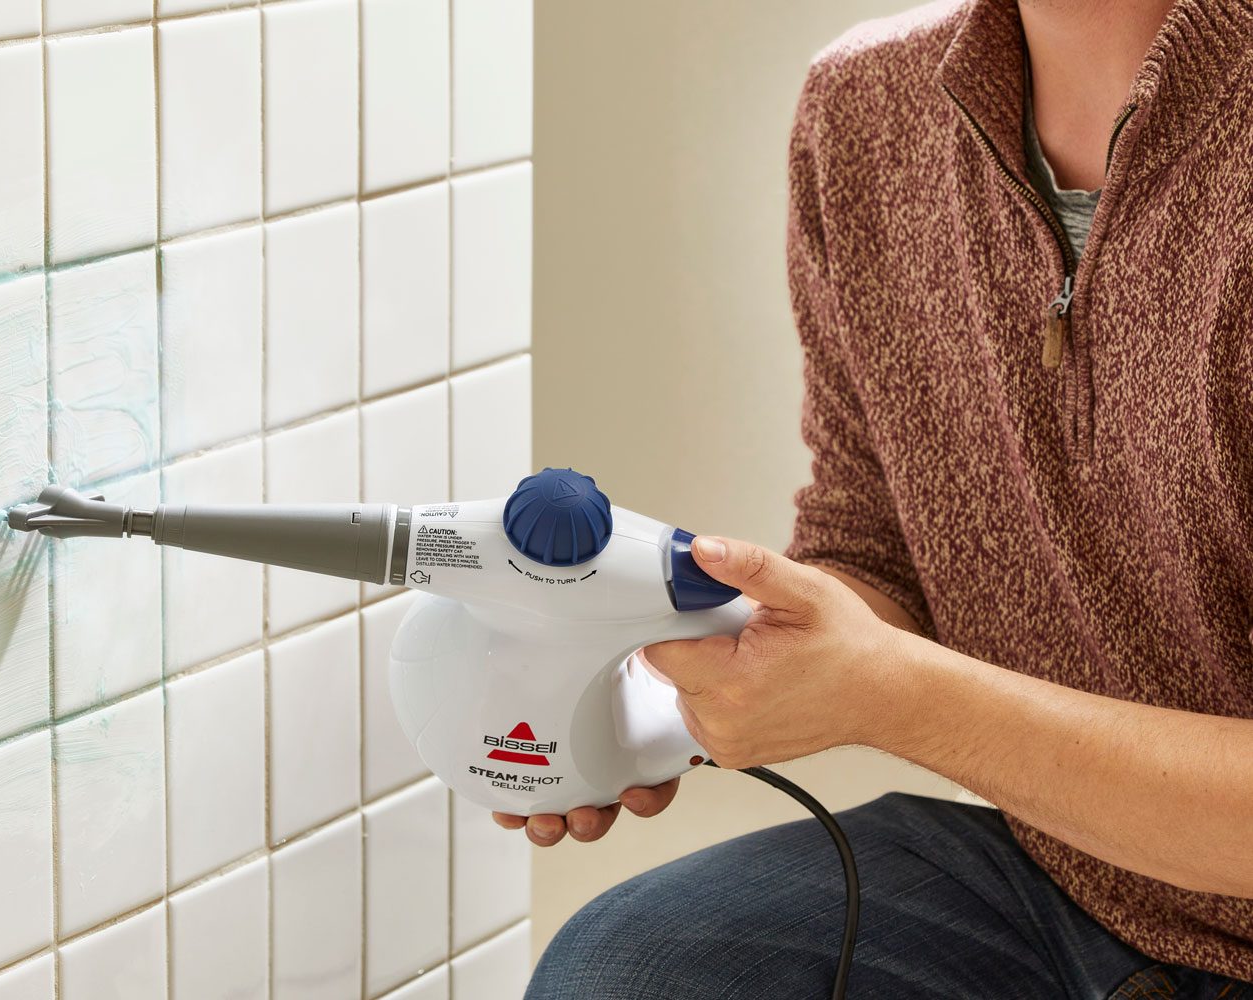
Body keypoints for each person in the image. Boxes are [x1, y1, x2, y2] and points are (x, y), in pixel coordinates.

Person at [516, 0, 1253, 996]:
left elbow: (898, 680)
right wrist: (674, 672)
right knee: (631, 971)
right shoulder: (865, 107)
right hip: (1073, 878)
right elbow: (875, 540)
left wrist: (892, 694)